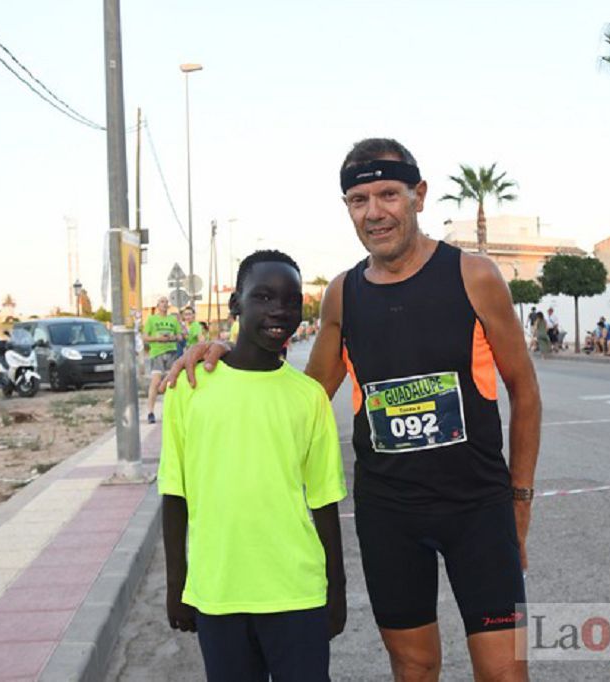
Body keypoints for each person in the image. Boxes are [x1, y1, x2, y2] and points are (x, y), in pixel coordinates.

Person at [167, 138, 541, 681]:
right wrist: (230, 356)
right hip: (390, 515)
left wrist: (520, 497)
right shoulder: (344, 293)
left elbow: (524, 389)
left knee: (504, 671)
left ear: (418, 195)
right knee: (414, 666)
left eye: (388, 194)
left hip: (477, 510)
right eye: (358, 199)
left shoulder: (474, 276)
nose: (375, 212)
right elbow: (303, 393)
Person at [160, 250, 347, 681]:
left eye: (291, 300)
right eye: (263, 297)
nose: (279, 310)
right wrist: (178, 585)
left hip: (297, 593)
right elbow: (175, 492)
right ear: (235, 305)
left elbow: (324, 501)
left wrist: (335, 592)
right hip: (218, 592)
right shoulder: (188, 388)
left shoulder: (308, 397)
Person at [143, 296, 182, 424]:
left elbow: (180, 336)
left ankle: (169, 411)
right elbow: (145, 337)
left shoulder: (173, 319)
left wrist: (173, 337)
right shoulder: (152, 319)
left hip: (171, 352)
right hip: (157, 353)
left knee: (171, 383)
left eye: (166, 302)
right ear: (157, 305)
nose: (164, 304)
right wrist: (158, 338)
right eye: (161, 302)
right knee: (156, 382)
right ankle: (150, 412)